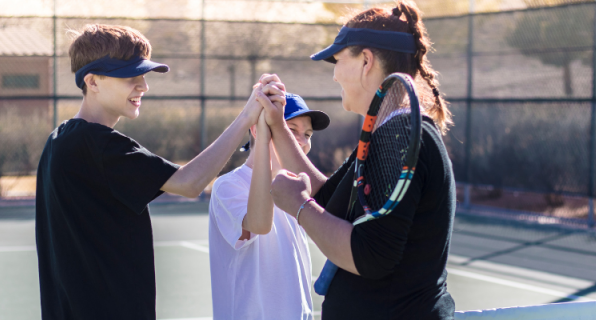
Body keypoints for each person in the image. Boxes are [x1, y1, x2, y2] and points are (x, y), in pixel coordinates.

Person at [35, 24, 285, 319]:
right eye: (130, 76)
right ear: (93, 81)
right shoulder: (97, 144)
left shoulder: (59, 140)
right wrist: (246, 117)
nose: (143, 86)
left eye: (143, 75)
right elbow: (190, 183)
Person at [265, 1, 457, 319]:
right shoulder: (387, 132)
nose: (335, 76)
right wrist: (277, 125)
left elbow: (370, 257)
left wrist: (298, 207)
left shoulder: (397, 137)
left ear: (366, 61)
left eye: (337, 61)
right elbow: (329, 201)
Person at [208, 93, 330, 320]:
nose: (302, 141)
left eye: (307, 134)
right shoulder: (228, 186)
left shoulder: (295, 189)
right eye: (291, 130)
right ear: (257, 130)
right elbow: (259, 224)